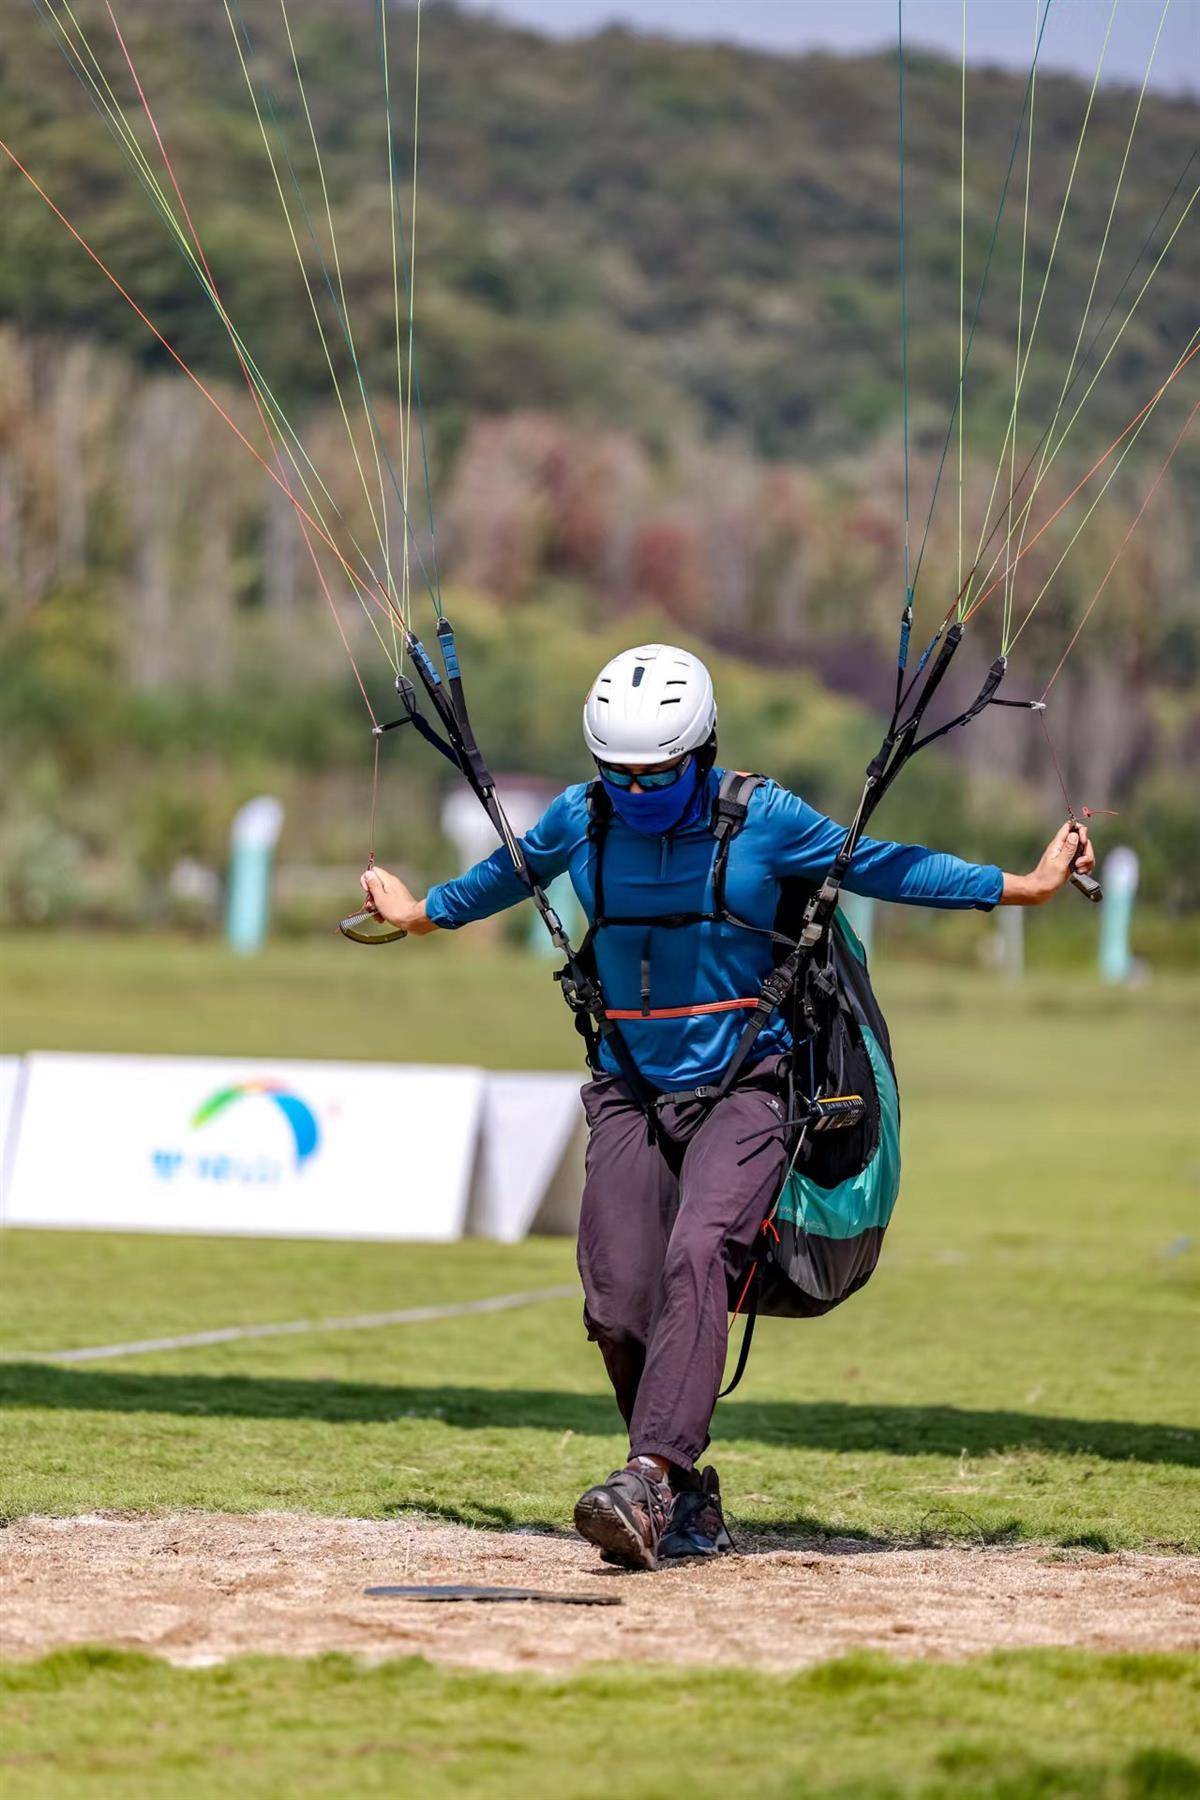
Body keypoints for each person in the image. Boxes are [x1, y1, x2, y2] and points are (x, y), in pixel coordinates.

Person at [360, 643, 1095, 1572]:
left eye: (655, 775)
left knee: (700, 1249)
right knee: (617, 1297)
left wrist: (1016, 887)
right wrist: (422, 911)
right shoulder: (579, 821)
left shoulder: (765, 820)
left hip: (750, 1084)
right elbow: (505, 876)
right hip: (630, 1084)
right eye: (617, 775)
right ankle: (686, 1500)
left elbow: (884, 867)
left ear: (700, 750)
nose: (634, 793)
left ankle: (651, 1474)